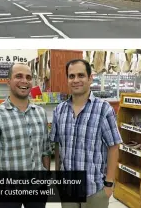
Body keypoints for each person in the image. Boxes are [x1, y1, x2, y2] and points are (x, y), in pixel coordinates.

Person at [50, 59, 122, 208]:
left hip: (94, 189)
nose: (76, 80)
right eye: (71, 76)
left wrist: (109, 184)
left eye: (81, 75)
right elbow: (58, 146)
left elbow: (113, 147)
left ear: (90, 78)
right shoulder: (59, 110)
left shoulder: (104, 109)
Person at [0, 63, 51, 208]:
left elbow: (45, 150)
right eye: (18, 76)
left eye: (28, 77)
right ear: (9, 81)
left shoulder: (40, 112)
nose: (24, 81)